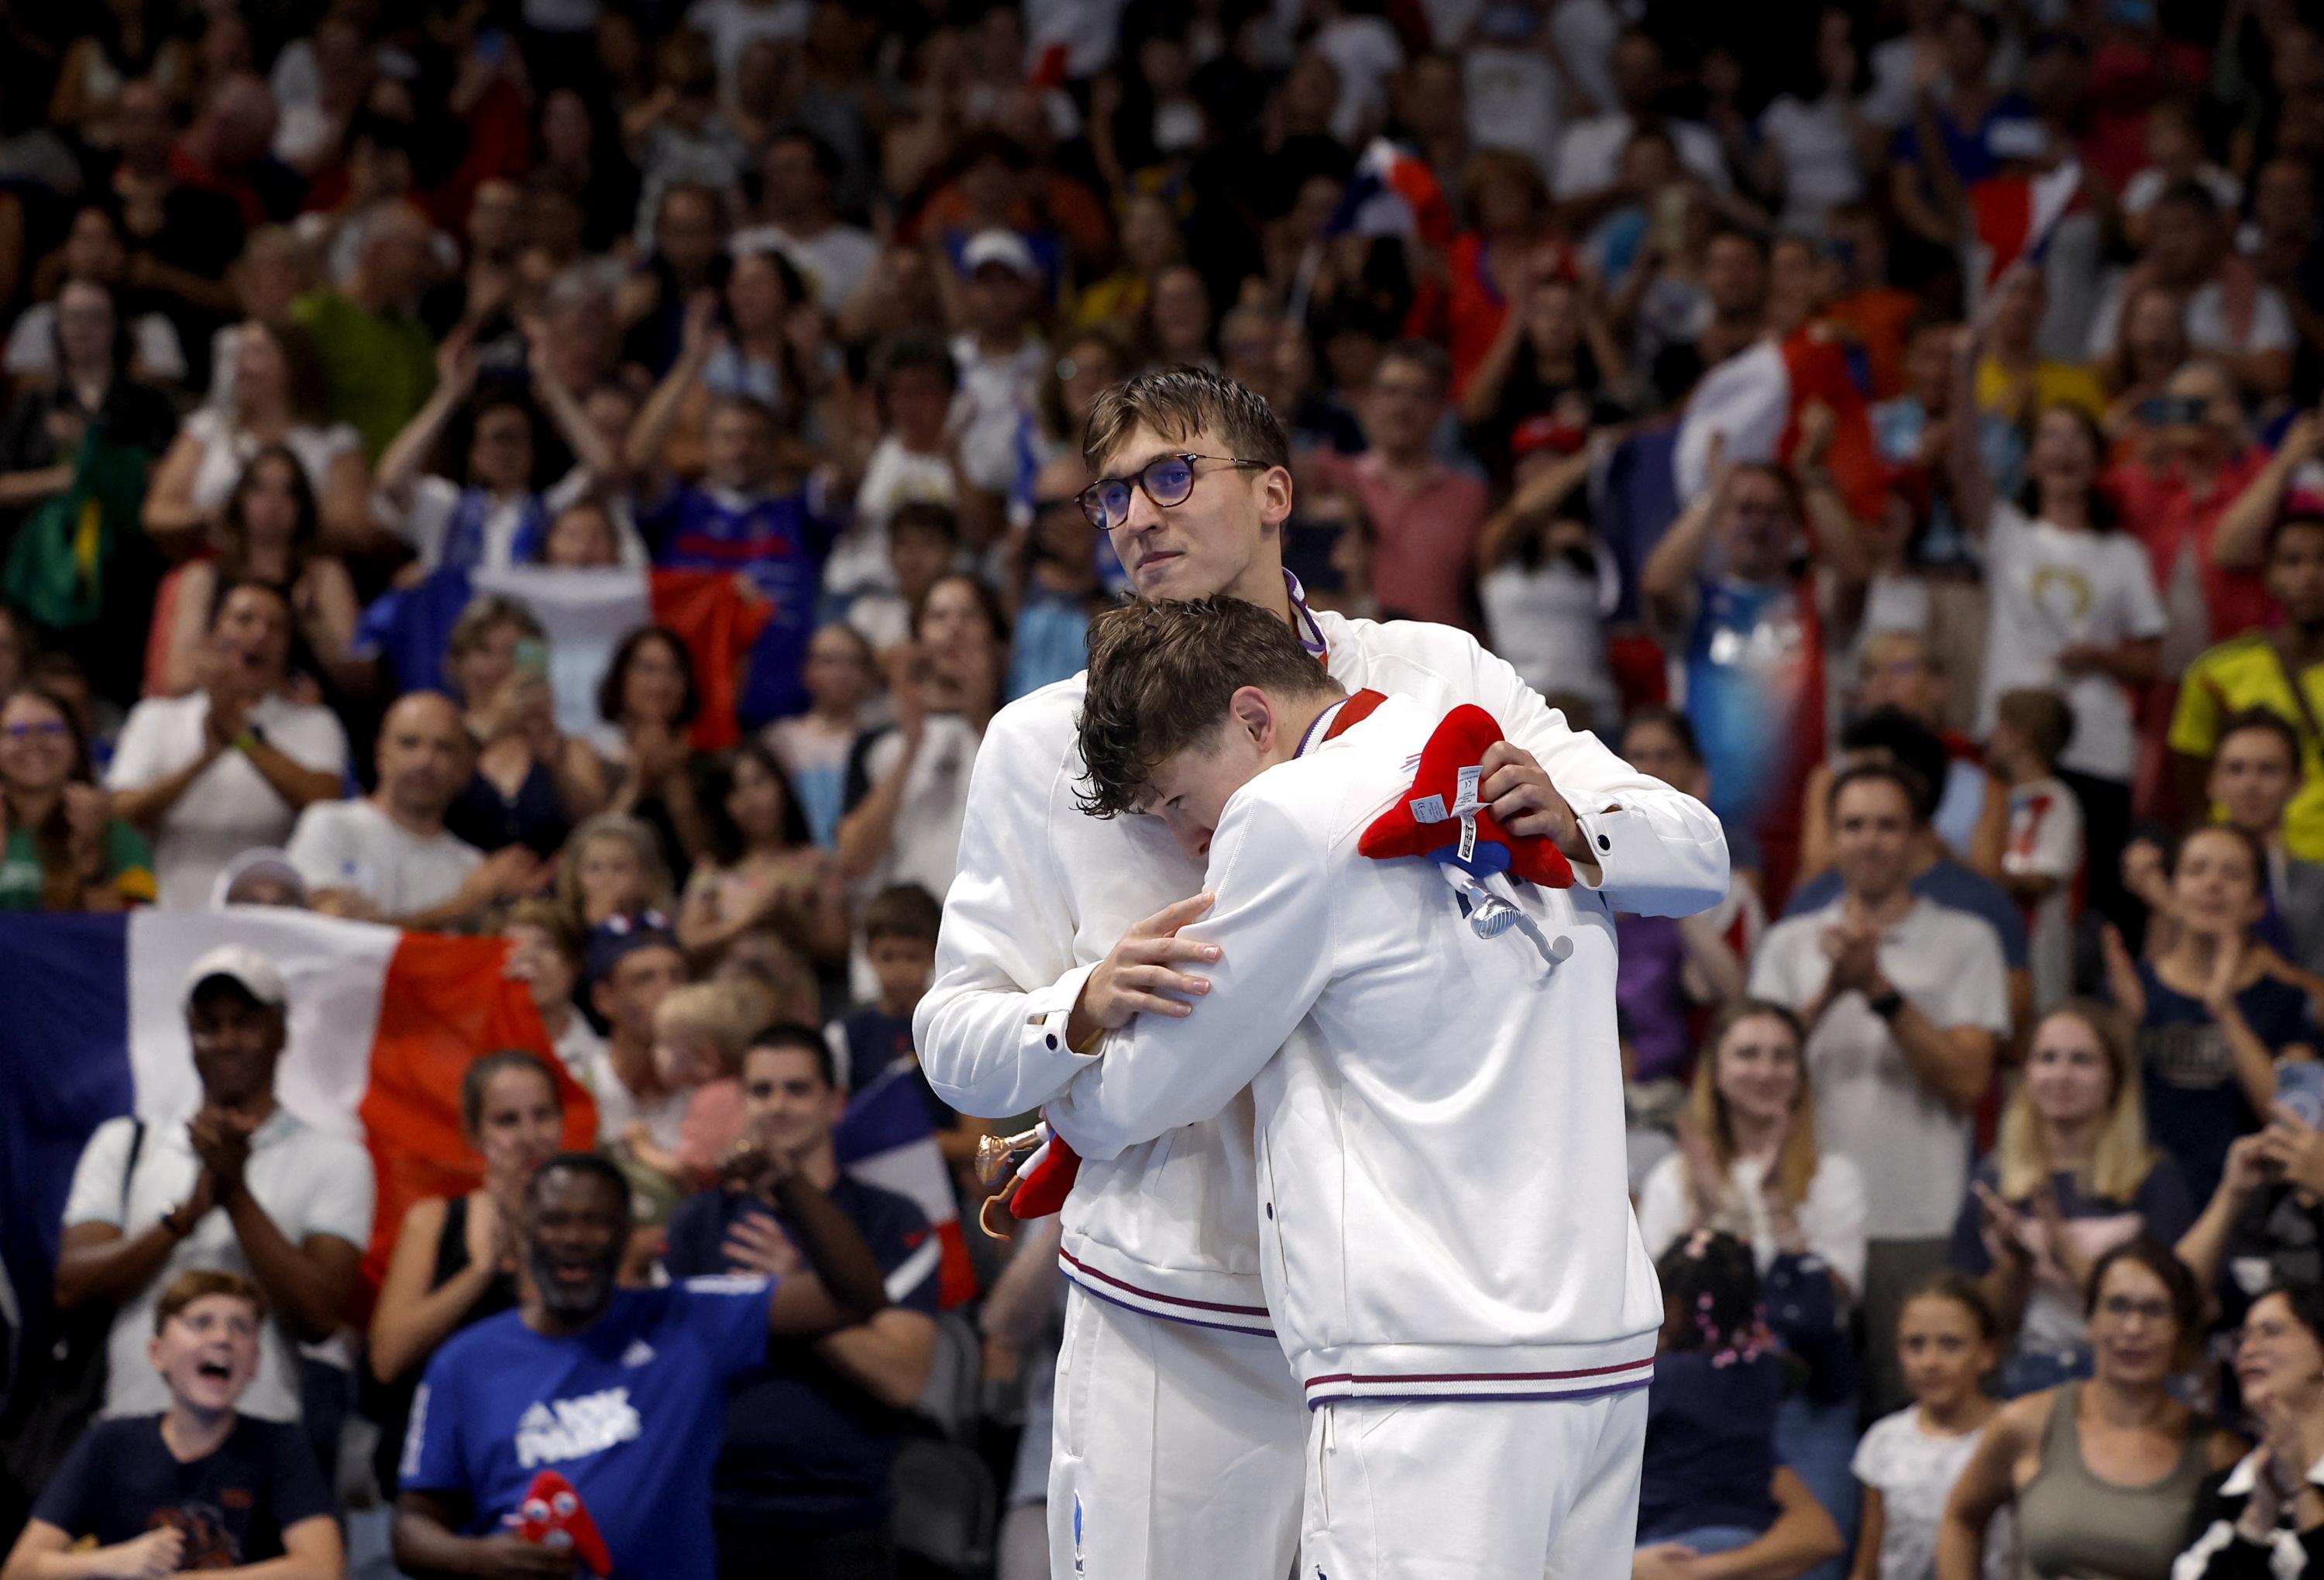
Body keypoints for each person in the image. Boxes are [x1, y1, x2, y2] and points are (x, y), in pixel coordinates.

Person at [916, 365, 1728, 1580]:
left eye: (1173, 474)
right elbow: (952, 1033)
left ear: (1279, 491)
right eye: (1111, 495)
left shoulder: (1439, 676)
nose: (1138, 514)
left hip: (1414, 1326)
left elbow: (1691, 849)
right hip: (1180, 1321)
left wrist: (1579, 823)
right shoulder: (1047, 740)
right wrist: (1073, 1008)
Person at [1043, 593, 1721, 1574]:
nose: (1191, 841)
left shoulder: (1286, 814)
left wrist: (1073, 1058)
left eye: (1180, 803)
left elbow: (1155, 1092)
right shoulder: (1483, 754)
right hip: (1597, 1352)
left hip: (1429, 1375)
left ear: (1251, 717)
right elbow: (1702, 851)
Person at [391, 1150, 891, 1580]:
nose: (574, 1237)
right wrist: (478, 1558)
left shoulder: (689, 1319)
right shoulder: (464, 1361)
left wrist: (788, 1183)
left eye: (596, 1221)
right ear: (525, 1233)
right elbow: (411, 1526)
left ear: (627, 1235)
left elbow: (857, 1298)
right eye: (555, 1221)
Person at [1750, 762, 2011, 1416]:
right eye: (1854, 825)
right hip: (1808, 1215)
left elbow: (1969, 1081)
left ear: (1921, 840)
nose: (1870, 840)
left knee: (1915, 1412)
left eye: (1888, 825)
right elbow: (1750, 1080)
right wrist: (1831, 990)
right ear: (1832, 839)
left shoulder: (1968, 941)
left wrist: (1881, 993)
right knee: (1804, 1418)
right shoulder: (1789, 944)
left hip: (1918, 1216)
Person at [52, 948, 373, 1433]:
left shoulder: (335, 1159)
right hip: (130, 1429)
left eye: (245, 1023)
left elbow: (320, 1316)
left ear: (281, 1033)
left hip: (261, 1435)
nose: (226, 1041)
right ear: (190, 1036)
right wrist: (183, 1218)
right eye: (209, 1025)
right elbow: (72, 1285)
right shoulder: (126, 1144)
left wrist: (235, 1194)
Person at [663, 1026, 943, 1578]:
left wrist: (794, 1288)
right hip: (708, 1510)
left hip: (841, 1515)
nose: (778, 1106)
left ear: (835, 1102)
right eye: (762, 1090)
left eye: (797, 1089)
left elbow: (902, 1375)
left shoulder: (891, 1220)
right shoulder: (697, 1224)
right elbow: (670, 1365)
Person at [1952, 286, 2166, 928]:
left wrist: (2101, 655)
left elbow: (2152, 659)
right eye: (2051, 437)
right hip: (2015, 743)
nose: (2066, 450)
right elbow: (1964, 461)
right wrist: (1966, 368)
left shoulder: (2122, 551)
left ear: (2099, 458)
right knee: (2012, 891)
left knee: (2093, 905)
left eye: (2079, 438)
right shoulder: (2008, 531)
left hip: (2099, 745)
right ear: (2032, 457)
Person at [1633, 1000, 1868, 1569]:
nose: (1766, 1070)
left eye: (1782, 1056)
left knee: (1810, 1562)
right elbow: (1663, 1304)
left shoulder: (1834, 1175)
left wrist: (1777, 1207)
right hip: (1701, 1411)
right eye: (1748, 1053)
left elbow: (1829, 1304)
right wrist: (1713, 1213)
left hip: (1806, 1399)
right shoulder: (1674, 1176)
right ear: (1717, 1066)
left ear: (1801, 1073)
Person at [0, 1271, 342, 1580]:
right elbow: (20, 1569)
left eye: (241, 1327)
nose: (223, 1337)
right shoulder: (110, 1442)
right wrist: (112, 1562)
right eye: (201, 1322)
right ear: (157, 1353)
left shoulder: (280, 1445)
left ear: (254, 1363)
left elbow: (323, 1569)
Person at [1934, 1239, 2243, 1580]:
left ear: (2179, 1329)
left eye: (2155, 1310)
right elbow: (1960, 1518)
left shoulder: (2216, 1453)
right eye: (2117, 1306)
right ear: (2090, 1320)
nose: (2133, 1328)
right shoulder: (2026, 1423)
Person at [1950, 1003, 2199, 1394]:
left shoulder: (2153, 1177)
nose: (2062, 1075)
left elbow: (2171, 1314)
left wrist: (2065, 1253)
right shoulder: (1994, 1177)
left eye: (2082, 1061)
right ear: (2027, 1073)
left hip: (2133, 1380)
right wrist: (2016, 1264)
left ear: (2114, 1078)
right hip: (2026, 1375)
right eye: (2047, 1058)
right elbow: (1974, 1324)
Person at [366, 1052, 566, 1502]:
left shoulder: (583, 1230)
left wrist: (526, 1231)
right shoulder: (434, 1222)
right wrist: (480, 1272)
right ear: (475, 1134)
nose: (530, 1137)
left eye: (543, 1115)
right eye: (508, 1121)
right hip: (435, 1470)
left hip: (539, 1463)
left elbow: (557, 1344)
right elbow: (388, 1357)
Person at [2105, 824, 2316, 1205]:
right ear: (2172, 891)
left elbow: (2301, 1126)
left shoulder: (2289, 1001)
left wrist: (2224, 1010)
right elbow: (2095, 1112)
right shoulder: (2132, 991)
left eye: (2232, 874)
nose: (2213, 884)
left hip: (2252, 1219)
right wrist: (2125, 1024)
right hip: (2140, 1207)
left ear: (2257, 904)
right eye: (2196, 870)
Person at [107, 580, 348, 907]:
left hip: (271, 916)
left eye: (275, 627)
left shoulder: (315, 723)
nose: (260, 634)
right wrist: (202, 760)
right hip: (171, 911)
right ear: (211, 636)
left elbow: (323, 802)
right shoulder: (157, 716)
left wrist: (241, 736)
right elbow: (121, 812)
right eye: (244, 620)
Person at [1631, 1231, 1845, 1579]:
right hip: (1746, 1537)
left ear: (1672, 1307)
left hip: (1671, 1544)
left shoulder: (1662, 1378)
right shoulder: (1766, 1371)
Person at [287, 691, 545, 928]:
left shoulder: (472, 869)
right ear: (381, 753)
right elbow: (330, 937)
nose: (425, 761)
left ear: (466, 767)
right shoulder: (330, 824)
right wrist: (459, 907)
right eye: (409, 743)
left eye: (443, 748)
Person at [144, 445, 363, 702]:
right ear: (240, 498)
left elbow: (361, 681)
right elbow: (178, 678)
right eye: (260, 489)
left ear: (303, 505)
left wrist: (314, 626)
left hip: (303, 719)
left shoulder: (323, 576)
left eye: (288, 493)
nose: (273, 504)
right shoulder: (202, 576)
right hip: (219, 714)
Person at [1307, 339, 1494, 632]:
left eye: (1420, 395)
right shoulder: (1329, 478)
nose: (1402, 406)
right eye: (1391, 391)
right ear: (1368, 398)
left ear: (1442, 407)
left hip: (1441, 660)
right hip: (1352, 660)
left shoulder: (1471, 496)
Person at [2172, 510, 2324, 864]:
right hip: (2242, 867)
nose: (2309, 576)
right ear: (2269, 575)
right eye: (2292, 561)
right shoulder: (2215, 673)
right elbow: (2194, 783)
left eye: (2322, 560)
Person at [141, 317, 369, 552]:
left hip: (304, 571)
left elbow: (356, 529)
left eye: (257, 352)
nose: (241, 366)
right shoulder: (207, 429)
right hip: (214, 567)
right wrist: (213, 517)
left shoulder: (335, 441)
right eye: (238, 354)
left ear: (293, 364)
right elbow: (157, 513)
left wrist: (281, 522)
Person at [1850, 1275, 2011, 1580]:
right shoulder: (1884, 1441)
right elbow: (1868, 1564)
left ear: (1987, 1354)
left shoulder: (2013, 1435)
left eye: (1951, 1344)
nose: (1930, 1362)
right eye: (1915, 1344)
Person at [438, 597, 607, 861]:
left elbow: (598, 831)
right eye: (485, 651)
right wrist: (489, 729)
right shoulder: (439, 738)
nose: (501, 666)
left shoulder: (568, 748)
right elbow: (420, 797)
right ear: (458, 664)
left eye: (514, 653)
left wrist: (556, 765)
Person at [2174, 1281, 2324, 1575]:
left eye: (2272, 1332)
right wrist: (2258, 1518)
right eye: (2243, 1338)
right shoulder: (2227, 1490)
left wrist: (2300, 1492)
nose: (2248, 1351)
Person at [677, 741, 847, 967]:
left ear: (781, 786)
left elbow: (838, 949)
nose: (751, 800)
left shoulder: (818, 863)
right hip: (728, 992)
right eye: (735, 790)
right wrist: (750, 920)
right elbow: (687, 943)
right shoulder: (714, 868)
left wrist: (793, 922)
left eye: (759, 782)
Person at [0, 683, 153, 910]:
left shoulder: (118, 836)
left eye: (50, 729)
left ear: (77, 745)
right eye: (18, 731)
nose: (34, 743)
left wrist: (92, 859)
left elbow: (134, 934)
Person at [1988, 689, 2083, 1014]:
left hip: (2037, 952)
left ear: (2022, 737)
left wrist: (1980, 875)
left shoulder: (2056, 801)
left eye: (2000, 728)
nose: (1992, 737)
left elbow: (2044, 877)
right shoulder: (1993, 799)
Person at [625, 980, 756, 1193]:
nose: (654, 1052)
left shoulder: (714, 1098)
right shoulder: (730, 1090)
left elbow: (688, 1170)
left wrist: (641, 1146)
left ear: (705, 1059)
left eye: (665, 1043)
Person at [765, 623, 880, 852]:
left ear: (868, 674)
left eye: (851, 662)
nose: (840, 673)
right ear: (807, 670)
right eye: (828, 661)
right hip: (795, 871)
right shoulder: (781, 738)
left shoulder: (880, 743)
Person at [500, 900, 604, 1083]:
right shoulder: (469, 1055)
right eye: (513, 946)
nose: (529, 958)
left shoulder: (606, 1063)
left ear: (574, 962)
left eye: (545, 945)